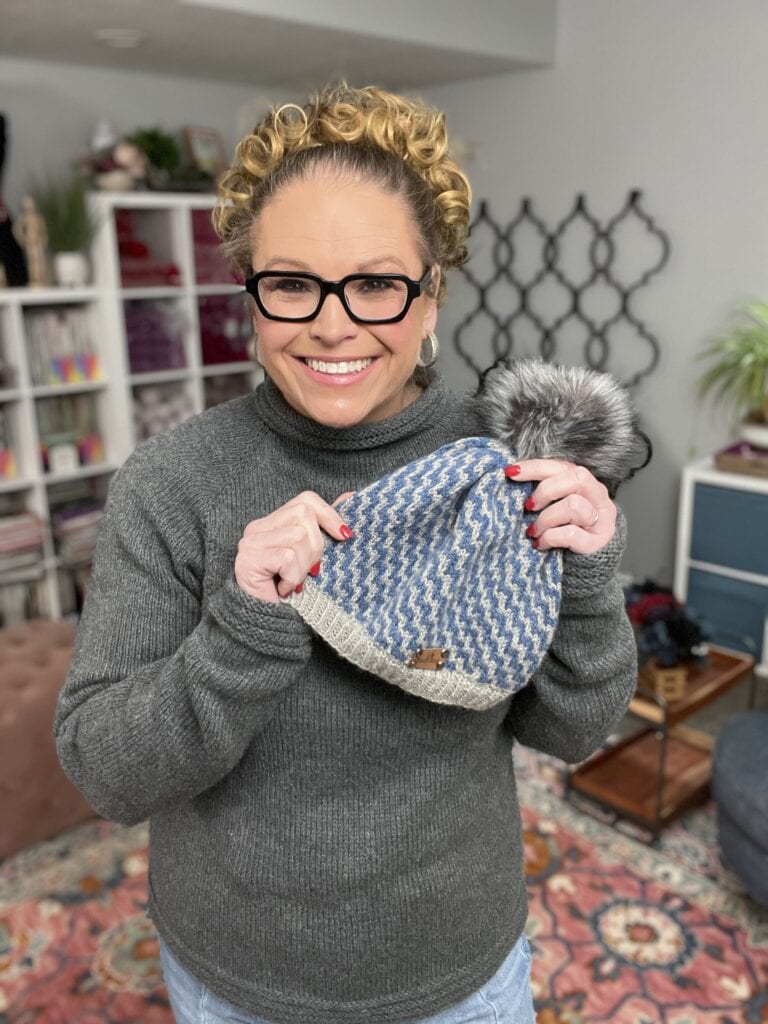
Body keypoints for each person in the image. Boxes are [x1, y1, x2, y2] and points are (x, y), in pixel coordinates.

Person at [55, 82, 639, 1024]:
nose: (333, 324)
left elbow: (570, 732)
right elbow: (106, 771)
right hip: (237, 981)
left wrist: (589, 579)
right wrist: (244, 626)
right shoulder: (170, 485)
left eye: (375, 284)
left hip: (461, 973)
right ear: (250, 295)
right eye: (292, 284)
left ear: (431, 295)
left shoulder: (501, 469)